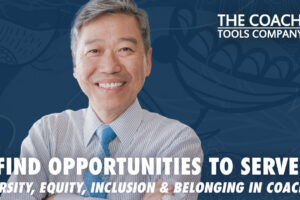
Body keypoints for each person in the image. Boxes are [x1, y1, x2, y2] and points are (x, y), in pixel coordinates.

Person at [1, 0, 203, 199]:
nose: (109, 67)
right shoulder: (47, 134)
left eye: (125, 49)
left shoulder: (177, 142)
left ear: (147, 61)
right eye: (94, 51)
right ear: (75, 65)